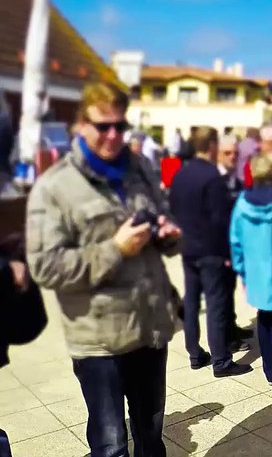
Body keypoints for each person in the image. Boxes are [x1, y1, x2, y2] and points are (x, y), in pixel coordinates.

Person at [26, 82, 184, 457]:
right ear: (80, 125)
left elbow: (165, 220)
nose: (114, 135)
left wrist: (169, 234)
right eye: (103, 126)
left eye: (120, 126)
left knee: (150, 434)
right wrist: (114, 249)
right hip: (99, 340)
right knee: (111, 444)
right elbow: (45, 267)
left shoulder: (140, 168)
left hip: (148, 328)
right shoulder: (55, 187)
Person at [169, 126, 250, 377]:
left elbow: (173, 209)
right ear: (212, 146)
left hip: (188, 248)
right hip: (211, 251)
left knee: (191, 301)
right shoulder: (212, 177)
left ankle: (194, 353)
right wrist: (229, 254)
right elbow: (220, 220)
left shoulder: (181, 174)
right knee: (216, 304)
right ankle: (221, 361)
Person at [230, 153, 272, 394]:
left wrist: (242, 271)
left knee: (265, 320)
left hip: (255, 272)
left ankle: (271, 370)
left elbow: (235, 240)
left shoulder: (242, 201)